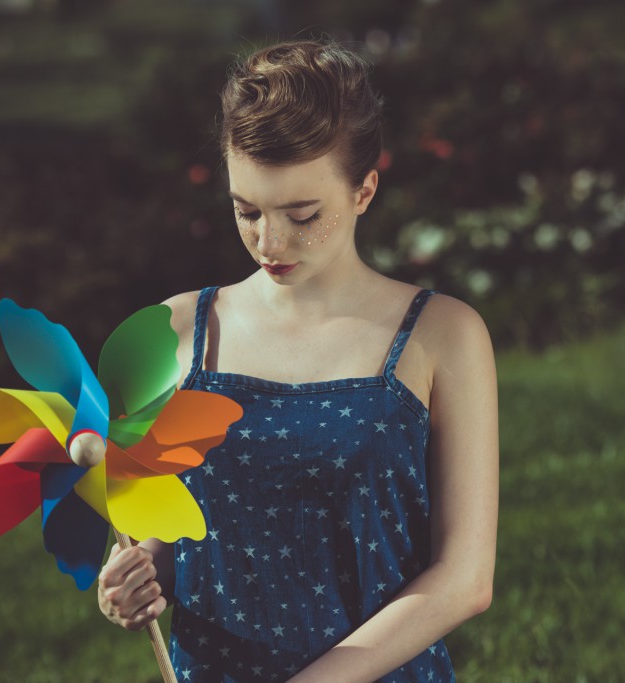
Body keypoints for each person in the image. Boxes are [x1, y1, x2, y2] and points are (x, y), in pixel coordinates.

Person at [94, 40, 499, 683]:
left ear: (364, 190)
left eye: (302, 214)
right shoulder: (178, 332)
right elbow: (182, 536)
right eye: (246, 211)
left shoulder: (444, 335)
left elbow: (466, 577)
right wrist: (135, 578)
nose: (269, 241)